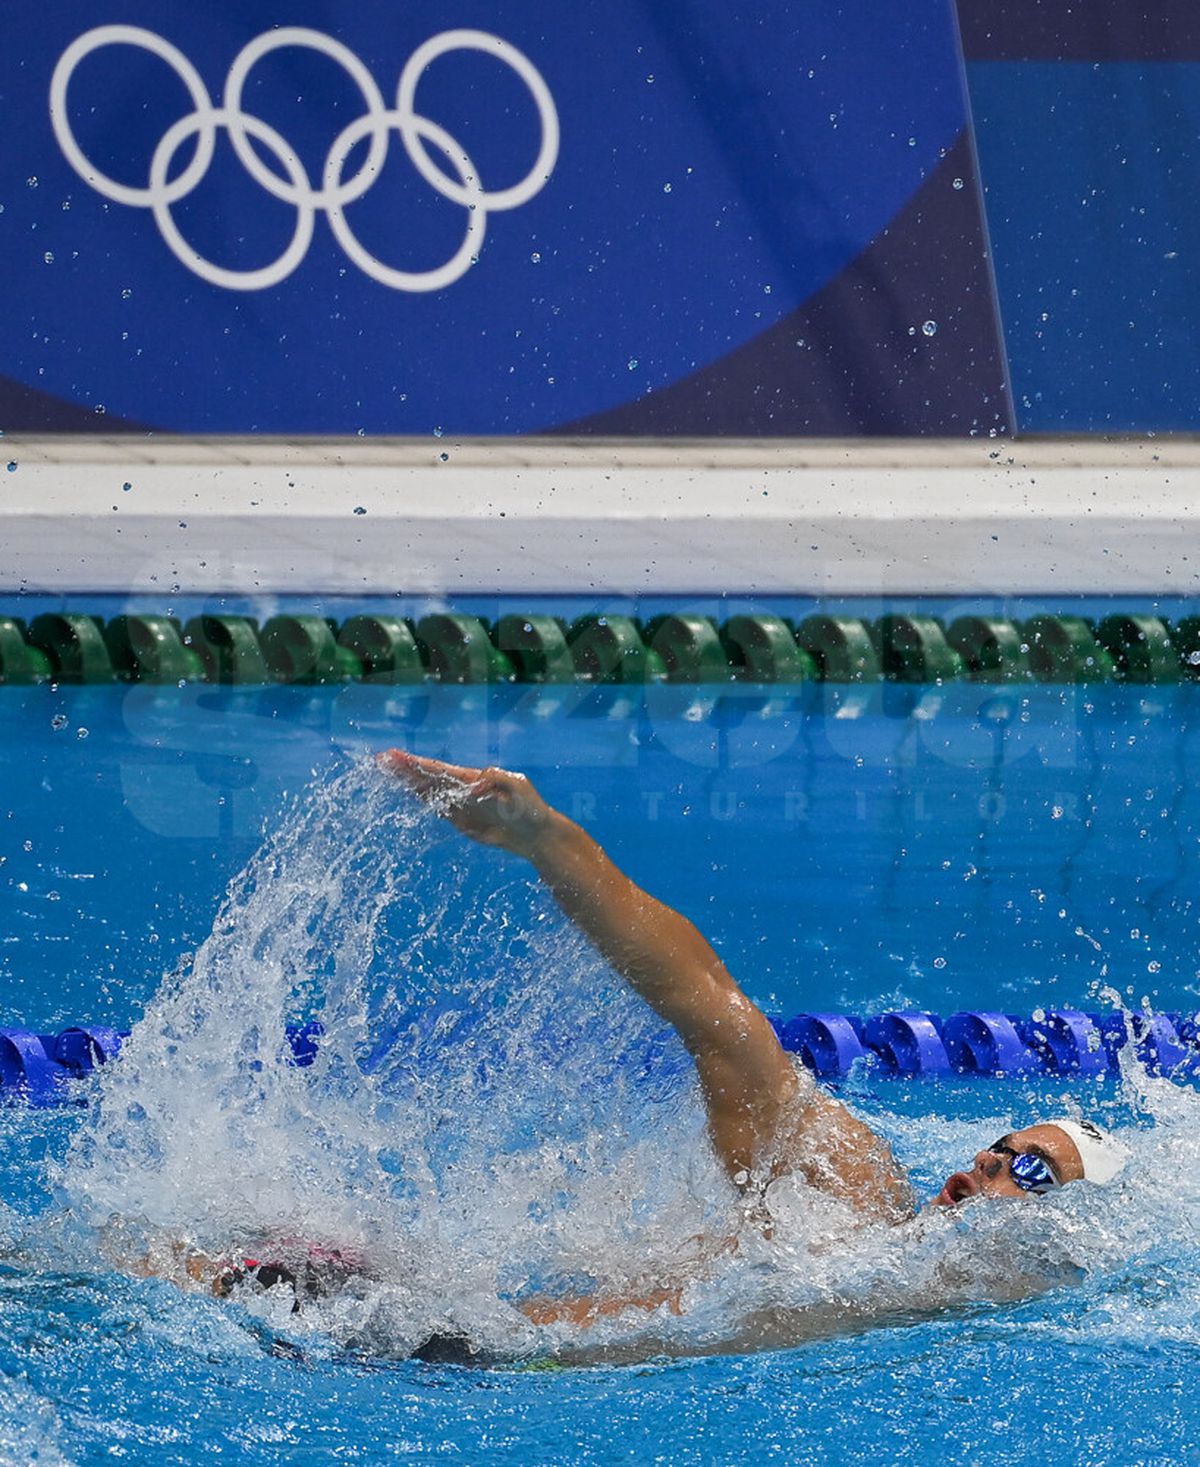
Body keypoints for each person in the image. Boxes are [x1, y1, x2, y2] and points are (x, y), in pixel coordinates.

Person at [379, 752, 1128, 1235]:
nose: (996, 1161)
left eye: (1032, 1169)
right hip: (457, 1347)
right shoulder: (853, 1192)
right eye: (1004, 1146)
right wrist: (549, 841)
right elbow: (717, 1014)